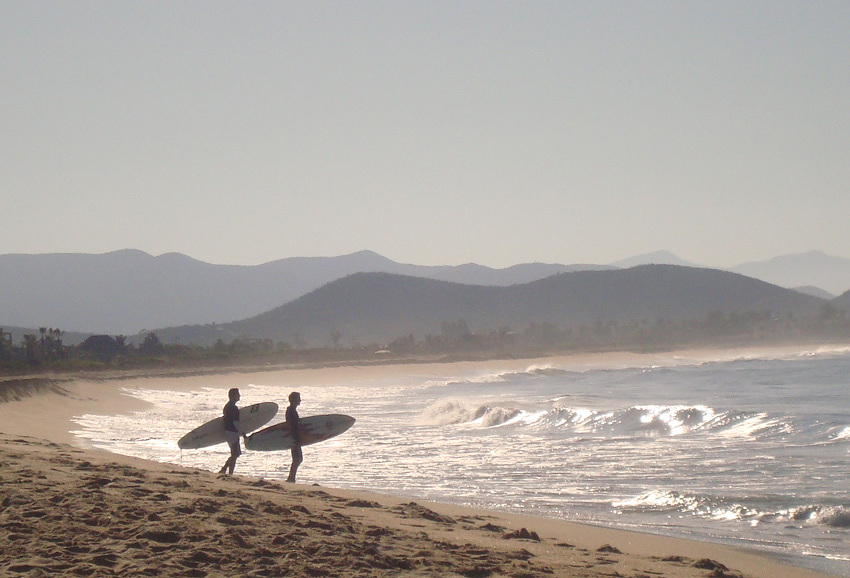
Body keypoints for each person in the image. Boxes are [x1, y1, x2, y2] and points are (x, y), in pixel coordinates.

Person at [219, 388, 246, 475]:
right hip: (232, 432)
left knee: (235, 453)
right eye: (238, 394)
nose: (239, 396)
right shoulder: (233, 408)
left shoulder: (227, 406)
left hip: (228, 432)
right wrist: (243, 433)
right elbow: (235, 423)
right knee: (235, 453)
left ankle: (226, 470)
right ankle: (228, 472)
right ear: (233, 396)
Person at [285, 391, 303, 483]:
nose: (300, 400)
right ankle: (291, 478)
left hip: (294, 437)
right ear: (294, 400)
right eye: (298, 398)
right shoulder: (291, 411)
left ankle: (291, 477)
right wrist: (296, 438)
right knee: (297, 458)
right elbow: (292, 425)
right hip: (294, 437)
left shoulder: (292, 410)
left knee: (298, 458)